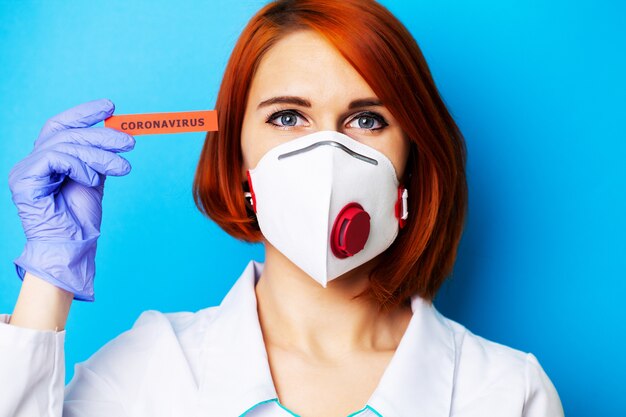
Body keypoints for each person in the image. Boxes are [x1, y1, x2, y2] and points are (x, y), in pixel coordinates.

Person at [0, 0, 565, 416]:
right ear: (240, 161)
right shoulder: (151, 372)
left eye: (367, 120)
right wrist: (48, 280)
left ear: (411, 162)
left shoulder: (505, 393)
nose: (326, 155)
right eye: (288, 118)